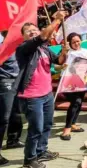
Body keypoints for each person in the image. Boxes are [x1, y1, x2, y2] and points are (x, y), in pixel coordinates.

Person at [15, 12, 68, 168]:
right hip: (32, 97)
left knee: (47, 125)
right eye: (28, 31)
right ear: (24, 37)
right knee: (36, 128)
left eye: (34, 29)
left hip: (47, 94)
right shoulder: (24, 48)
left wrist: (63, 54)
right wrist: (57, 19)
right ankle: (29, 160)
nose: (32, 32)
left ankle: (41, 151)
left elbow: (57, 61)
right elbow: (43, 37)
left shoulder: (44, 49)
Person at [60, 33, 87, 141]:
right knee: (76, 102)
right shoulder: (66, 52)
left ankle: (73, 124)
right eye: (74, 42)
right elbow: (57, 64)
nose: (76, 43)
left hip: (82, 81)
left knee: (79, 102)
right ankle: (67, 128)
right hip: (68, 81)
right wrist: (62, 59)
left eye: (78, 41)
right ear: (69, 43)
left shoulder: (85, 51)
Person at [0, 32, 24, 166]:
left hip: (16, 80)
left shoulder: (17, 43)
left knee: (16, 113)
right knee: (3, 118)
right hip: (5, 81)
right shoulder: (2, 44)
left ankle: (13, 140)